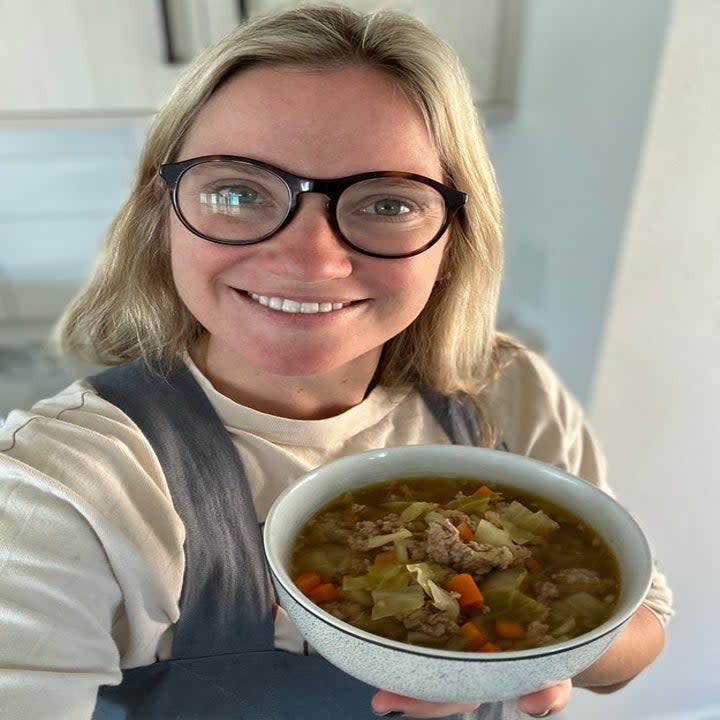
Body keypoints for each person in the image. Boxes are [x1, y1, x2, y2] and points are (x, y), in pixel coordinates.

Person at [0, 4, 672, 719]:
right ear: (160, 215)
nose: (312, 259)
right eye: (238, 192)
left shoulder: (507, 395)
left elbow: (641, 620)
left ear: (452, 244)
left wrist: (539, 650)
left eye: (387, 204)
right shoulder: (61, 490)